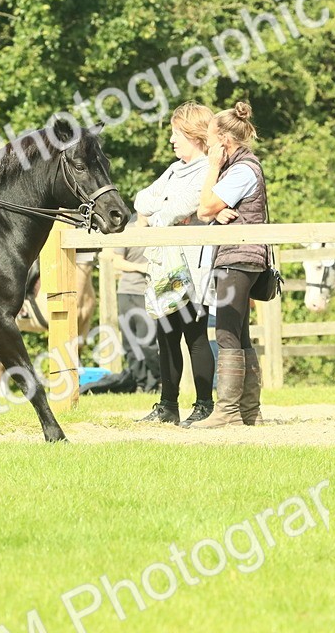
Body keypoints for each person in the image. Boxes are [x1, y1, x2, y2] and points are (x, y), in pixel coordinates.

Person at [134, 102, 216, 426]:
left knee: (194, 334)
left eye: (177, 133)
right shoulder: (173, 169)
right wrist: (165, 210)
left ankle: (205, 405)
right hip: (164, 264)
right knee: (165, 334)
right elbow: (142, 199)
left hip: (192, 265)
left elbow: (182, 206)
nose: (172, 140)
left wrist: (164, 210)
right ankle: (168, 405)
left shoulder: (209, 169)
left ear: (195, 134)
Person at [193, 102, 267, 428]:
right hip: (240, 256)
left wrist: (211, 168)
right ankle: (249, 411)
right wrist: (219, 210)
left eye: (210, 140)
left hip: (238, 257)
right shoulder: (238, 169)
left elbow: (206, 206)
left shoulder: (241, 169)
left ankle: (227, 412)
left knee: (225, 332)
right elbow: (208, 211)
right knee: (240, 334)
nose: (208, 146)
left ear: (224, 140)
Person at [112, 244, 160, 393]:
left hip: (148, 292)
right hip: (126, 291)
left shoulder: (157, 230)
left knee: (147, 341)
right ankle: (140, 383)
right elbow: (117, 262)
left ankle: (157, 380)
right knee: (129, 341)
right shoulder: (127, 231)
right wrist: (141, 267)